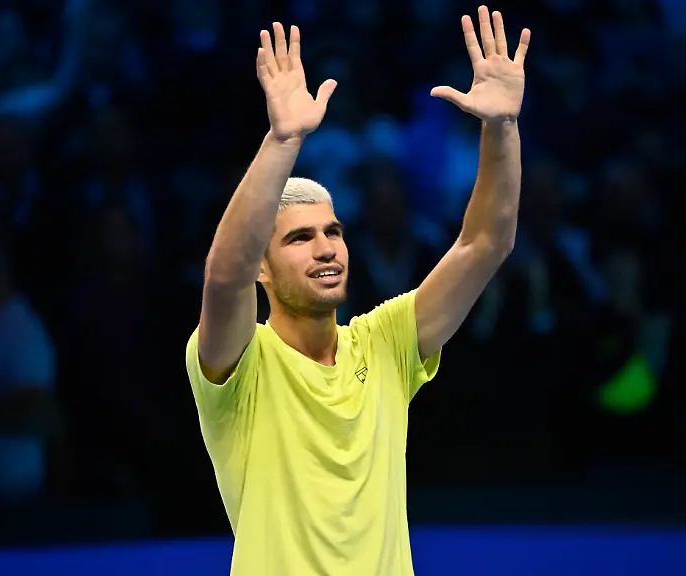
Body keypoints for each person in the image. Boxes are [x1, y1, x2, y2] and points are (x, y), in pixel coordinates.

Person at [184, 6, 529, 575]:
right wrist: (283, 140)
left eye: (334, 231)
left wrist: (503, 127)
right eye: (299, 238)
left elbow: (486, 243)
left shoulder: (385, 343)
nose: (326, 248)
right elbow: (225, 276)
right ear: (262, 269)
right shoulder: (242, 364)